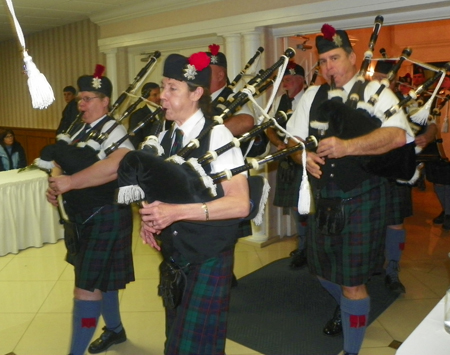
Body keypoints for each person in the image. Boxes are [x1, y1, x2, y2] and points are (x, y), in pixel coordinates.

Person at [286, 24, 413, 355]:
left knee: (353, 282)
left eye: (335, 58)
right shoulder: (312, 96)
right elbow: (292, 139)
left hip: (363, 199)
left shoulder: (376, 93)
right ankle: (349, 306)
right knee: (320, 269)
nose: (329, 67)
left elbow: (398, 136)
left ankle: (352, 348)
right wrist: (303, 155)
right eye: (323, 60)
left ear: (353, 58)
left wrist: (348, 147)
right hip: (324, 200)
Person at [139, 52, 249, 355]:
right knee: (175, 339)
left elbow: (240, 204)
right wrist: (149, 218)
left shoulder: (217, 136)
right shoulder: (166, 136)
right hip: (176, 254)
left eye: (173, 88)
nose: (162, 96)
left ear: (197, 93)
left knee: (195, 348)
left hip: (208, 255)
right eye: (163, 86)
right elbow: (164, 189)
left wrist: (174, 213)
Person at [46, 67, 135, 355]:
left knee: (86, 288)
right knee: (103, 280)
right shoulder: (78, 128)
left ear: (105, 100)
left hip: (106, 215)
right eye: (80, 99)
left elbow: (118, 162)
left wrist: (70, 182)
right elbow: (61, 159)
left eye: (87, 99)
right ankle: (116, 330)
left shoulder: (114, 130)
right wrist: (57, 184)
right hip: (83, 217)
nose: (80, 105)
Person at [266, 61, 308, 269]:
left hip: (306, 159)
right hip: (286, 159)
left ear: (300, 81)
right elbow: (268, 127)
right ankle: (303, 247)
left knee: (307, 204)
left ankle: (311, 246)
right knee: (294, 204)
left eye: (289, 80)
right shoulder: (281, 101)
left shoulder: (310, 99)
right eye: (284, 80)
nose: (285, 84)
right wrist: (278, 143)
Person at [206, 44, 255, 137]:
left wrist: (209, 134)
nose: (201, 76)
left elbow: (246, 121)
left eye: (206, 72)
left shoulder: (231, 98)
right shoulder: (198, 99)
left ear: (220, 76)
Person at [128, 82, 164, 148]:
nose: (159, 97)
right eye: (155, 95)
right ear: (145, 98)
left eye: (159, 94)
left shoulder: (168, 112)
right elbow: (135, 142)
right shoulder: (137, 116)